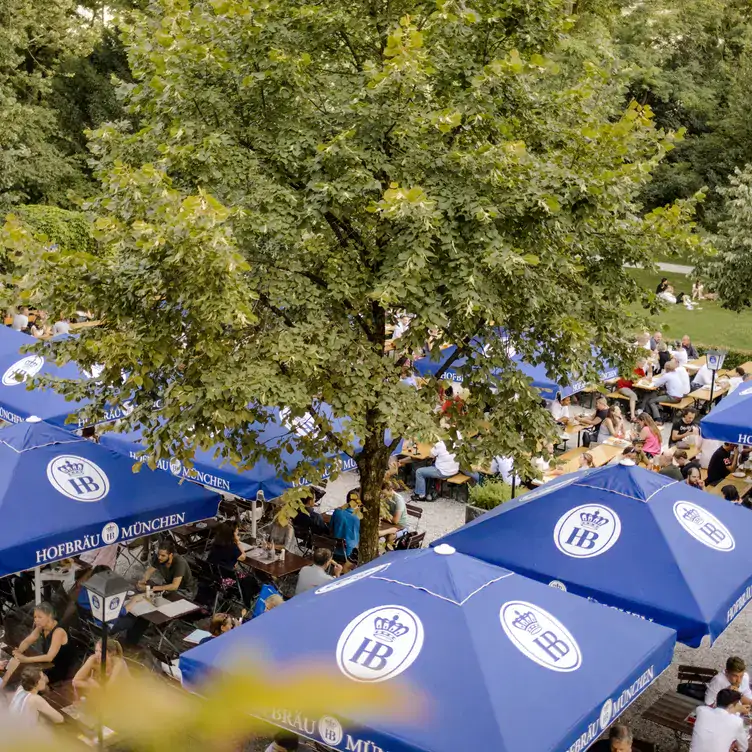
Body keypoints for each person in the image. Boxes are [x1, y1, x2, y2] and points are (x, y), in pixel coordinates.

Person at [0, 602, 73, 687]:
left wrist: (25, 659)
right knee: (22, 676)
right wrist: (19, 651)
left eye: (40, 617)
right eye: (35, 617)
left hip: (59, 667)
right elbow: (28, 641)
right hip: (47, 664)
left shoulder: (58, 631)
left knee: (32, 683)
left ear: (49, 616)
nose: (36, 620)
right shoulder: (41, 626)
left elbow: (49, 657)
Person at [329, 488, 361, 559]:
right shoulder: (358, 517)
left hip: (334, 548)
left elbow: (330, 528)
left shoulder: (337, 512)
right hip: (350, 552)